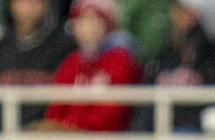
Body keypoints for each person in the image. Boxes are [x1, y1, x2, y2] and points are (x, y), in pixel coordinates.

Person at [39, 0, 142, 132]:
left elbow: (112, 115)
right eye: (82, 20)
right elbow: (55, 110)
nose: (88, 27)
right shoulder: (71, 62)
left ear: (108, 25)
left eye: (95, 20)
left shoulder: (121, 61)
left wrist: (73, 129)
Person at [145, 0, 215, 132]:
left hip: (198, 139)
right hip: (160, 137)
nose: (178, 16)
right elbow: (146, 112)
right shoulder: (165, 54)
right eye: (179, 10)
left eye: (189, 12)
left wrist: (199, 43)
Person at [0, 0, 78, 126]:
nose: (29, 5)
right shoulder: (3, 46)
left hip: (45, 134)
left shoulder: (65, 46)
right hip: (6, 134)